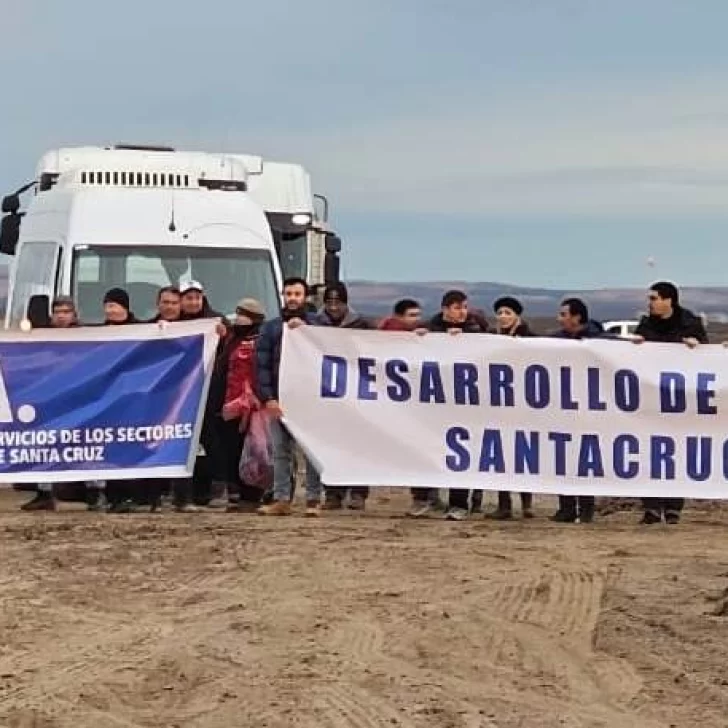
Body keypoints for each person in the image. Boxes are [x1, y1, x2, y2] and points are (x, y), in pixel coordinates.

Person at [633, 281, 708, 525]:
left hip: (680, 400)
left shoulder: (690, 324)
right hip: (651, 399)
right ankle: (651, 507)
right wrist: (636, 346)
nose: (650, 303)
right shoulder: (646, 324)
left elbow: (708, 358)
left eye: (654, 298)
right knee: (648, 450)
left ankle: (674, 506)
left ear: (669, 300)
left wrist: (697, 348)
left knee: (678, 450)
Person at [256, 277, 323, 517]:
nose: (293, 298)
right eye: (289, 294)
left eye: (297, 294)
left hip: (310, 399)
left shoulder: (319, 325)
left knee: (312, 451)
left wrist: (306, 330)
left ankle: (314, 499)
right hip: (280, 398)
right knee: (281, 451)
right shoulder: (271, 328)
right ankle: (281, 498)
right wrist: (268, 398)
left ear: (305, 297)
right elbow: (262, 365)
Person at [428, 290, 488, 521]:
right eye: (457, 307)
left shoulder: (475, 329)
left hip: (466, 402)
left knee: (461, 451)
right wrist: (423, 338)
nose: (462, 312)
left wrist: (466, 338)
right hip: (437, 400)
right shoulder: (432, 327)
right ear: (445, 309)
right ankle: (427, 498)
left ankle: (460, 502)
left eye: (464, 307)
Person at [207, 298, 267, 512]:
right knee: (230, 449)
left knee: (251, 450)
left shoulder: (261, 340)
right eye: (239, 313)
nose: (240, 318)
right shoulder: (232, 337)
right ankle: (238, 492)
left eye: (245, 315)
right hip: (228, 402)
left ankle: (252, 495)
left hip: (251, 404)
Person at [549, 298, 605, 524]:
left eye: (563, 314)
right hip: (562, 408)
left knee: (585, 459)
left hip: (589, 409)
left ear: (577, 317)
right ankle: (566, 507)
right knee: (562, 458)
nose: (559, 319)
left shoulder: (599, 340)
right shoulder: (556, 340)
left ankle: (587, 507)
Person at [315, 282, 371, 511]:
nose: (333, 307)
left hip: (357, 391)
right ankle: (333, 492)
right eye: (329, 302)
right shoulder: (315, 324)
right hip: (328, 392)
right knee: (331, 444)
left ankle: (358, 492)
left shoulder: (362, 325)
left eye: (337, 302)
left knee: (358, 443)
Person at [20, 296, 80, 512]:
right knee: (44, 446)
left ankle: (95, 491)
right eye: (58, 312)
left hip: (78, 400)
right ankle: (44, 492)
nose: (62, 316)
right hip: (50, 401)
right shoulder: (41, 338)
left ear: (74, 315)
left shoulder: (86, 337)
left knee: (86, 444)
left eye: (66, 312)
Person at [486, 296, 536, 520]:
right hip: (500, 405)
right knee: (501, 455)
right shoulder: (492, 338)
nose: (503, 317)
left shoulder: (530, 338)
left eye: (507, 312)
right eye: (499, 313)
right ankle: (504, 504)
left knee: (524, 454)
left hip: (525, 406)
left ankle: (526, 504)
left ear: (517, 315)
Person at [101, 288, 142, 513]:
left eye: (113, 305)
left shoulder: (142, 330)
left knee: (132, 447)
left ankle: (134, 495)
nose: (109, 310)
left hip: (134, 400)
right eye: (106, 306)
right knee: (112, 448)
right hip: (109, 401)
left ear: (124, 307)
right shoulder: (98, 334)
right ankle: (114, 496)